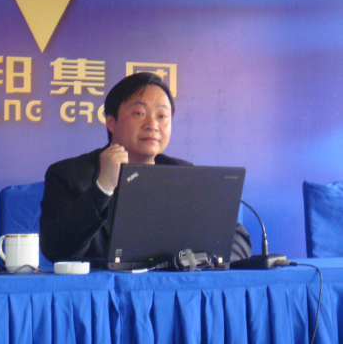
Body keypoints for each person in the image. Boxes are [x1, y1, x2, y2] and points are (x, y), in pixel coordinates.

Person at [40, 72, 251, 264]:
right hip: (101, 292)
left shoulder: (184, 174)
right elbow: (56, 250)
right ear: (111, 122)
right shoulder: (69, 175)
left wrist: (196, 262)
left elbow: (236, 240)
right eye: (139, 113)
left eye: (162, 116)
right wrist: (102, 189)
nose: (153, 124)